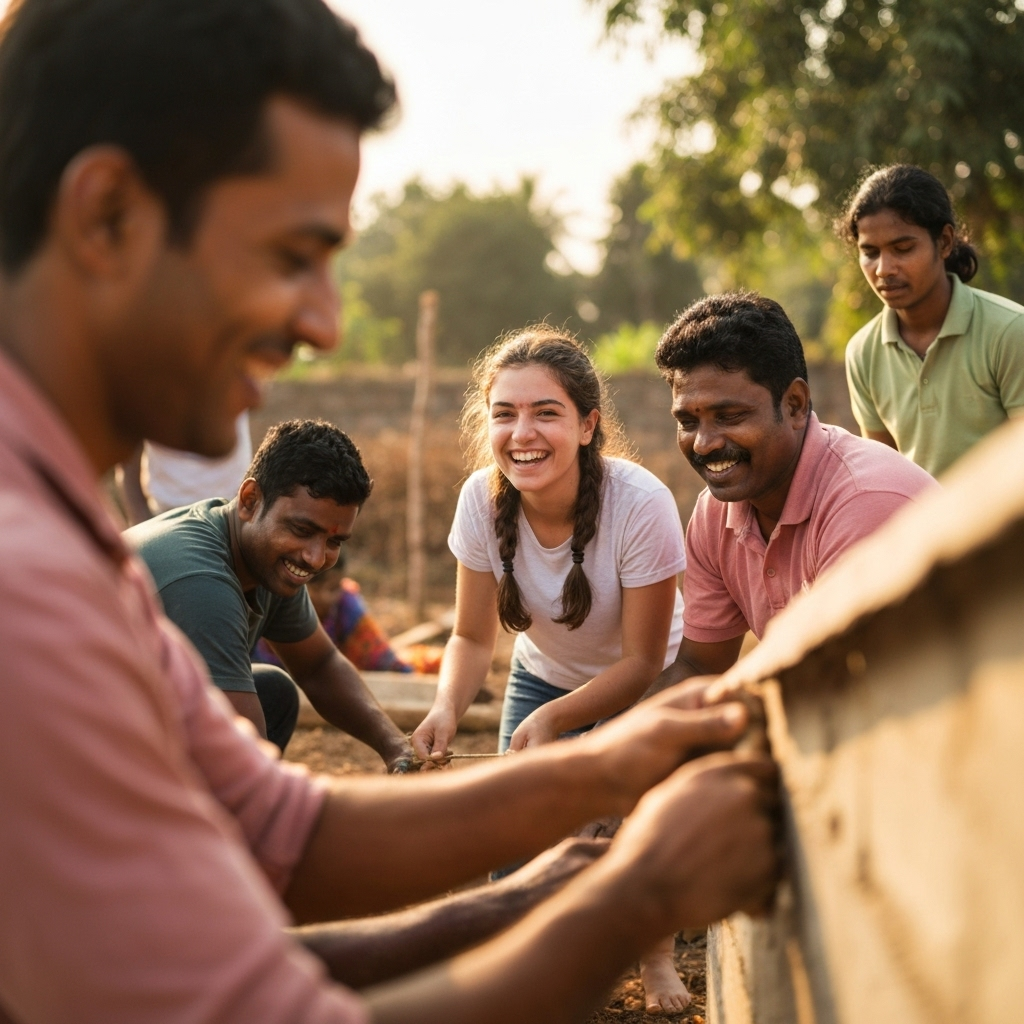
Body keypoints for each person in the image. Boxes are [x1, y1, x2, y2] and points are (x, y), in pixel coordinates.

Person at [0, 2, 780, 1022]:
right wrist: (632, 895)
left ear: (588, 427)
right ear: (107, 214)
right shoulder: (30, 587)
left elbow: (282, 831)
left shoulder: (73, 538)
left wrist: (591, 786)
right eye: (291, 254)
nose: (323, 320)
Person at [411, 327, 691, 1012]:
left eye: (546, 412)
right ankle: (541, 967)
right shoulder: (481, 499)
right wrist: (447, 705)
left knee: (634, 819)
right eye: (504, 413)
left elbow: (643, 660)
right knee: (519, 841)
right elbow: (472, 637)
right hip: (544, 675)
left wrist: (560, 721)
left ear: (588, 424)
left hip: (648, 678)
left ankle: (656, 958)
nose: (522, 432)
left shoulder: (640, 502)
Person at [647, 291, 938, 693]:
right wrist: (598, 748)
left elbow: (845, 681)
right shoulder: (715, 514)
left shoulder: (864, 501)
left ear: (796, 405)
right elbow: (699, 667)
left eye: (729, 416)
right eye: (688, 421)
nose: (703, 444)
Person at [128, 418, 414, 762]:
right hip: (71, 746)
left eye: (334, 541)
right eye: (301, 529)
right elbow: (247, 766)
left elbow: (319, 666)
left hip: (129, 717)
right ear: (250, 500)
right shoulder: (202, 583)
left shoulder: (261, 557)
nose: (315, 557)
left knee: (273, 691)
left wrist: (397, 748)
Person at [840, 164, 1024, 477]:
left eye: (903, 248)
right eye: (870, 252)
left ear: (944, 242)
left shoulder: (1009, 332)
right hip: (923, 525)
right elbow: (885, 477)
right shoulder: (863, 353)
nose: (883, 269)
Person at [253, 549, 441, 674]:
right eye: (329, 589)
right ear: (303, 587)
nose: (335, 596)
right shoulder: (270, 602)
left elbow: (382, 658)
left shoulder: (345, 603)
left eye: (338, 587)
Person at [119, 410, 254, 524]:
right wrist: (141, 521)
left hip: (235, 510)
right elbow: (127, 453)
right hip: (168, 518)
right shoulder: (149, 384)